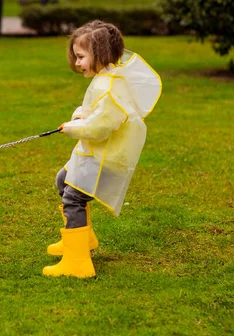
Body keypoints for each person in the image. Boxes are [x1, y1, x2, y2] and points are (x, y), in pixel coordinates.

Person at [43, 20, 162, 278]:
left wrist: (73, 128)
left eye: (81, 57)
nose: (77, 63)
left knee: (74, 196)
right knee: (63, 180)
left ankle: (77, 262)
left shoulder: (109, 86)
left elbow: (99, 127)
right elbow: (94, 112)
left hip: (106, 156)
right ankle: (81, 239)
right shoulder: (105, 78)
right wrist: (79, 115)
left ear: (101, 54)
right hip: (97, 152)